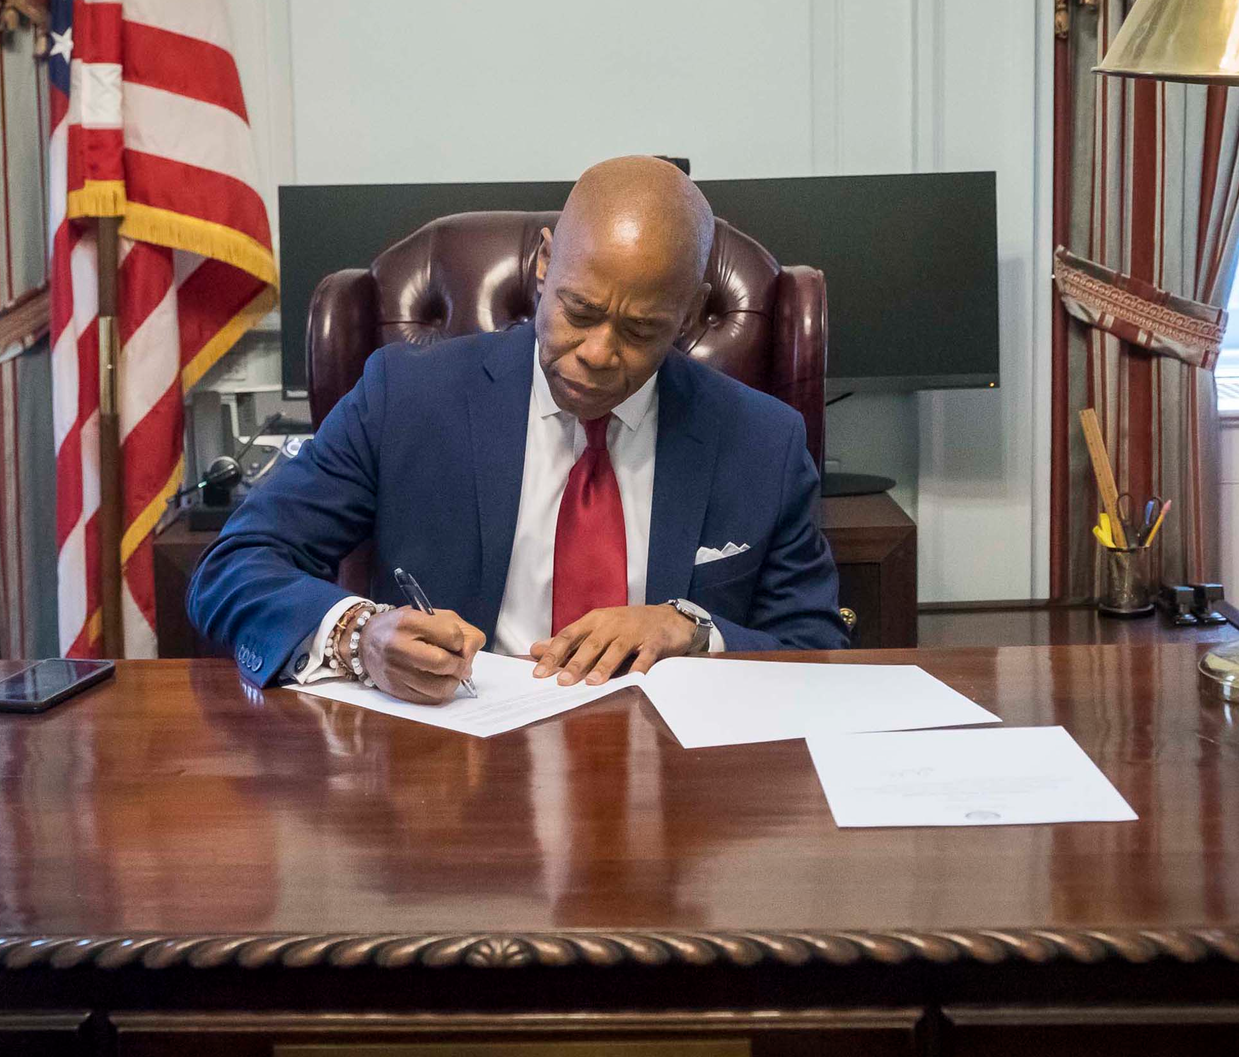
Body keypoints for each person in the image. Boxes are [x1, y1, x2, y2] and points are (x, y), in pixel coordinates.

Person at [190, 155, 846, 704]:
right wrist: (359, 635)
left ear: (690, 314)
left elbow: (817, 649)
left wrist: (696, 632)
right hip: (454, 775)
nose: (596, 351)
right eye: (579, 311)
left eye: (641, 329)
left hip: (670, 788)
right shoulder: (406, 399)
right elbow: (235, 568)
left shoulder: (763, 442)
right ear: (543, 265)